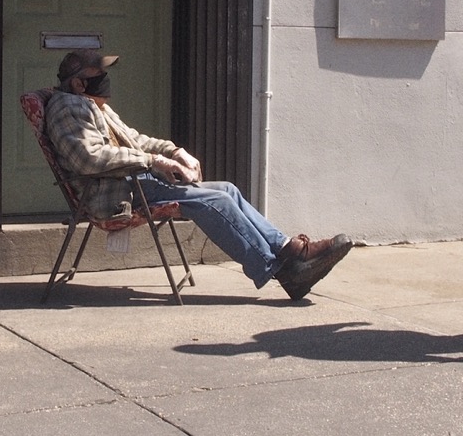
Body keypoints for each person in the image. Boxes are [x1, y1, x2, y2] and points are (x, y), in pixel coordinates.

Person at [44, 48, 352, 300]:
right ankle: (282, 270)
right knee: (214, 201)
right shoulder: (67, 107)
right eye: (98, 75)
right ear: (78, 83)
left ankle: (289, 249)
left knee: (227, 189)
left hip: (133, 180)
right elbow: (89, 158)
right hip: (113, 192)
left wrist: (174, 152)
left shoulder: (95, 107)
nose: (106, 80)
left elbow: (136, 140)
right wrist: (153, 162)